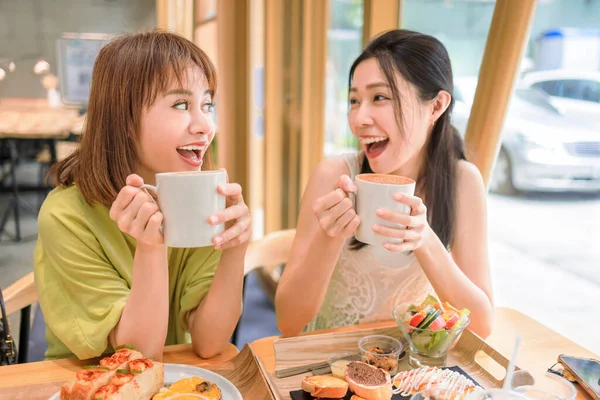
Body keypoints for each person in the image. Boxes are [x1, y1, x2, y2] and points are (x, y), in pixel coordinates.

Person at [34, 31, 251, 361]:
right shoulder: (65, 215)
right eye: (181, 104)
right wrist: (151, 248)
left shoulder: (197, 201)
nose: (205, 124)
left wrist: (236, 248)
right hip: (86, 383)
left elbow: (210, 342)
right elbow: (138, 357)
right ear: (124, 120)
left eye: (207, 104)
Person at [275, 29, 493, 338]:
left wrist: (425, 241)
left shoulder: (462, 182)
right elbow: (288, 321)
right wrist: (329, 237)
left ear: (435, 106)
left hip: (408, 369)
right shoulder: (333, 176)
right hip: (326, 364)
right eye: (354, 100)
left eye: (379, 97)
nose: (359, 119)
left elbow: (482, 325)